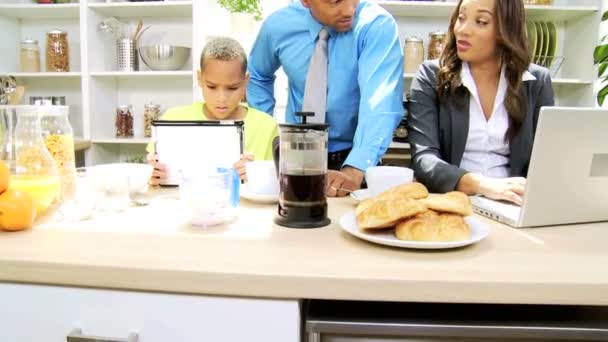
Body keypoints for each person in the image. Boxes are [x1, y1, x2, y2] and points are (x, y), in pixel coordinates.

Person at [247, 0, 404, 197]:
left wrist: (355, 169)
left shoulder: (376, 25)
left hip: (355, 157)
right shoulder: (278, 25)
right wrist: (268, 129)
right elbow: (257, 75)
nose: (349, 10)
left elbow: (380, 100)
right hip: (297, 155)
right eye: (334, 1)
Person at [408, 0, 554, 205]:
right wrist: (485, 186)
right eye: (461, 17)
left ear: (506, 29)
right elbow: (424, 160)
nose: (462, 30)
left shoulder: (537, 82)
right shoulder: (431, 76)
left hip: (513, 205)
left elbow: (546, 161)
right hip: (452, 202)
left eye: (481, 21)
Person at [147, 36, 278, 185]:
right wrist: (152, 174)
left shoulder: (266, 126)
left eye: (232, 88)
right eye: (211, 87)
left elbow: (276, 185)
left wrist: (257, 176)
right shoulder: (172, 119)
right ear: (199, 79)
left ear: (245, 82)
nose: (221, 98)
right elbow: (151, 180)